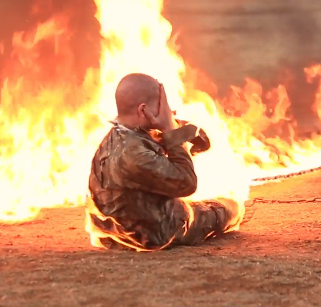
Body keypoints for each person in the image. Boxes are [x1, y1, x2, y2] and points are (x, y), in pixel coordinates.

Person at [86, 73, 242, 251]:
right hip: (151, 233)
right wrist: (170, 129)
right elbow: (187, 183)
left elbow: (155, 138)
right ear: (143, 111)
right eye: (162, 107)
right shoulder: (134, 156)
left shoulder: (119, 135)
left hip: (108, 229)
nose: (168, 112)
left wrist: (181, 131)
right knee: (231, 206)